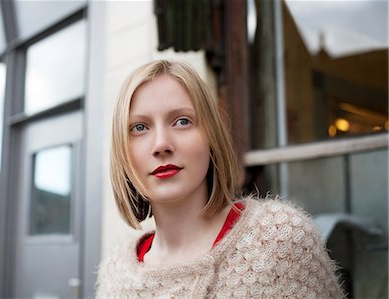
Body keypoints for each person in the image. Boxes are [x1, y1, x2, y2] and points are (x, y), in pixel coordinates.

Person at [96, 60, 344, 298]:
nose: (161, 144)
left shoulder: (278, 239)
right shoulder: (116, 274)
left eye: (182, 121)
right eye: (139, 127)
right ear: (122, 151)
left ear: (211, 136)